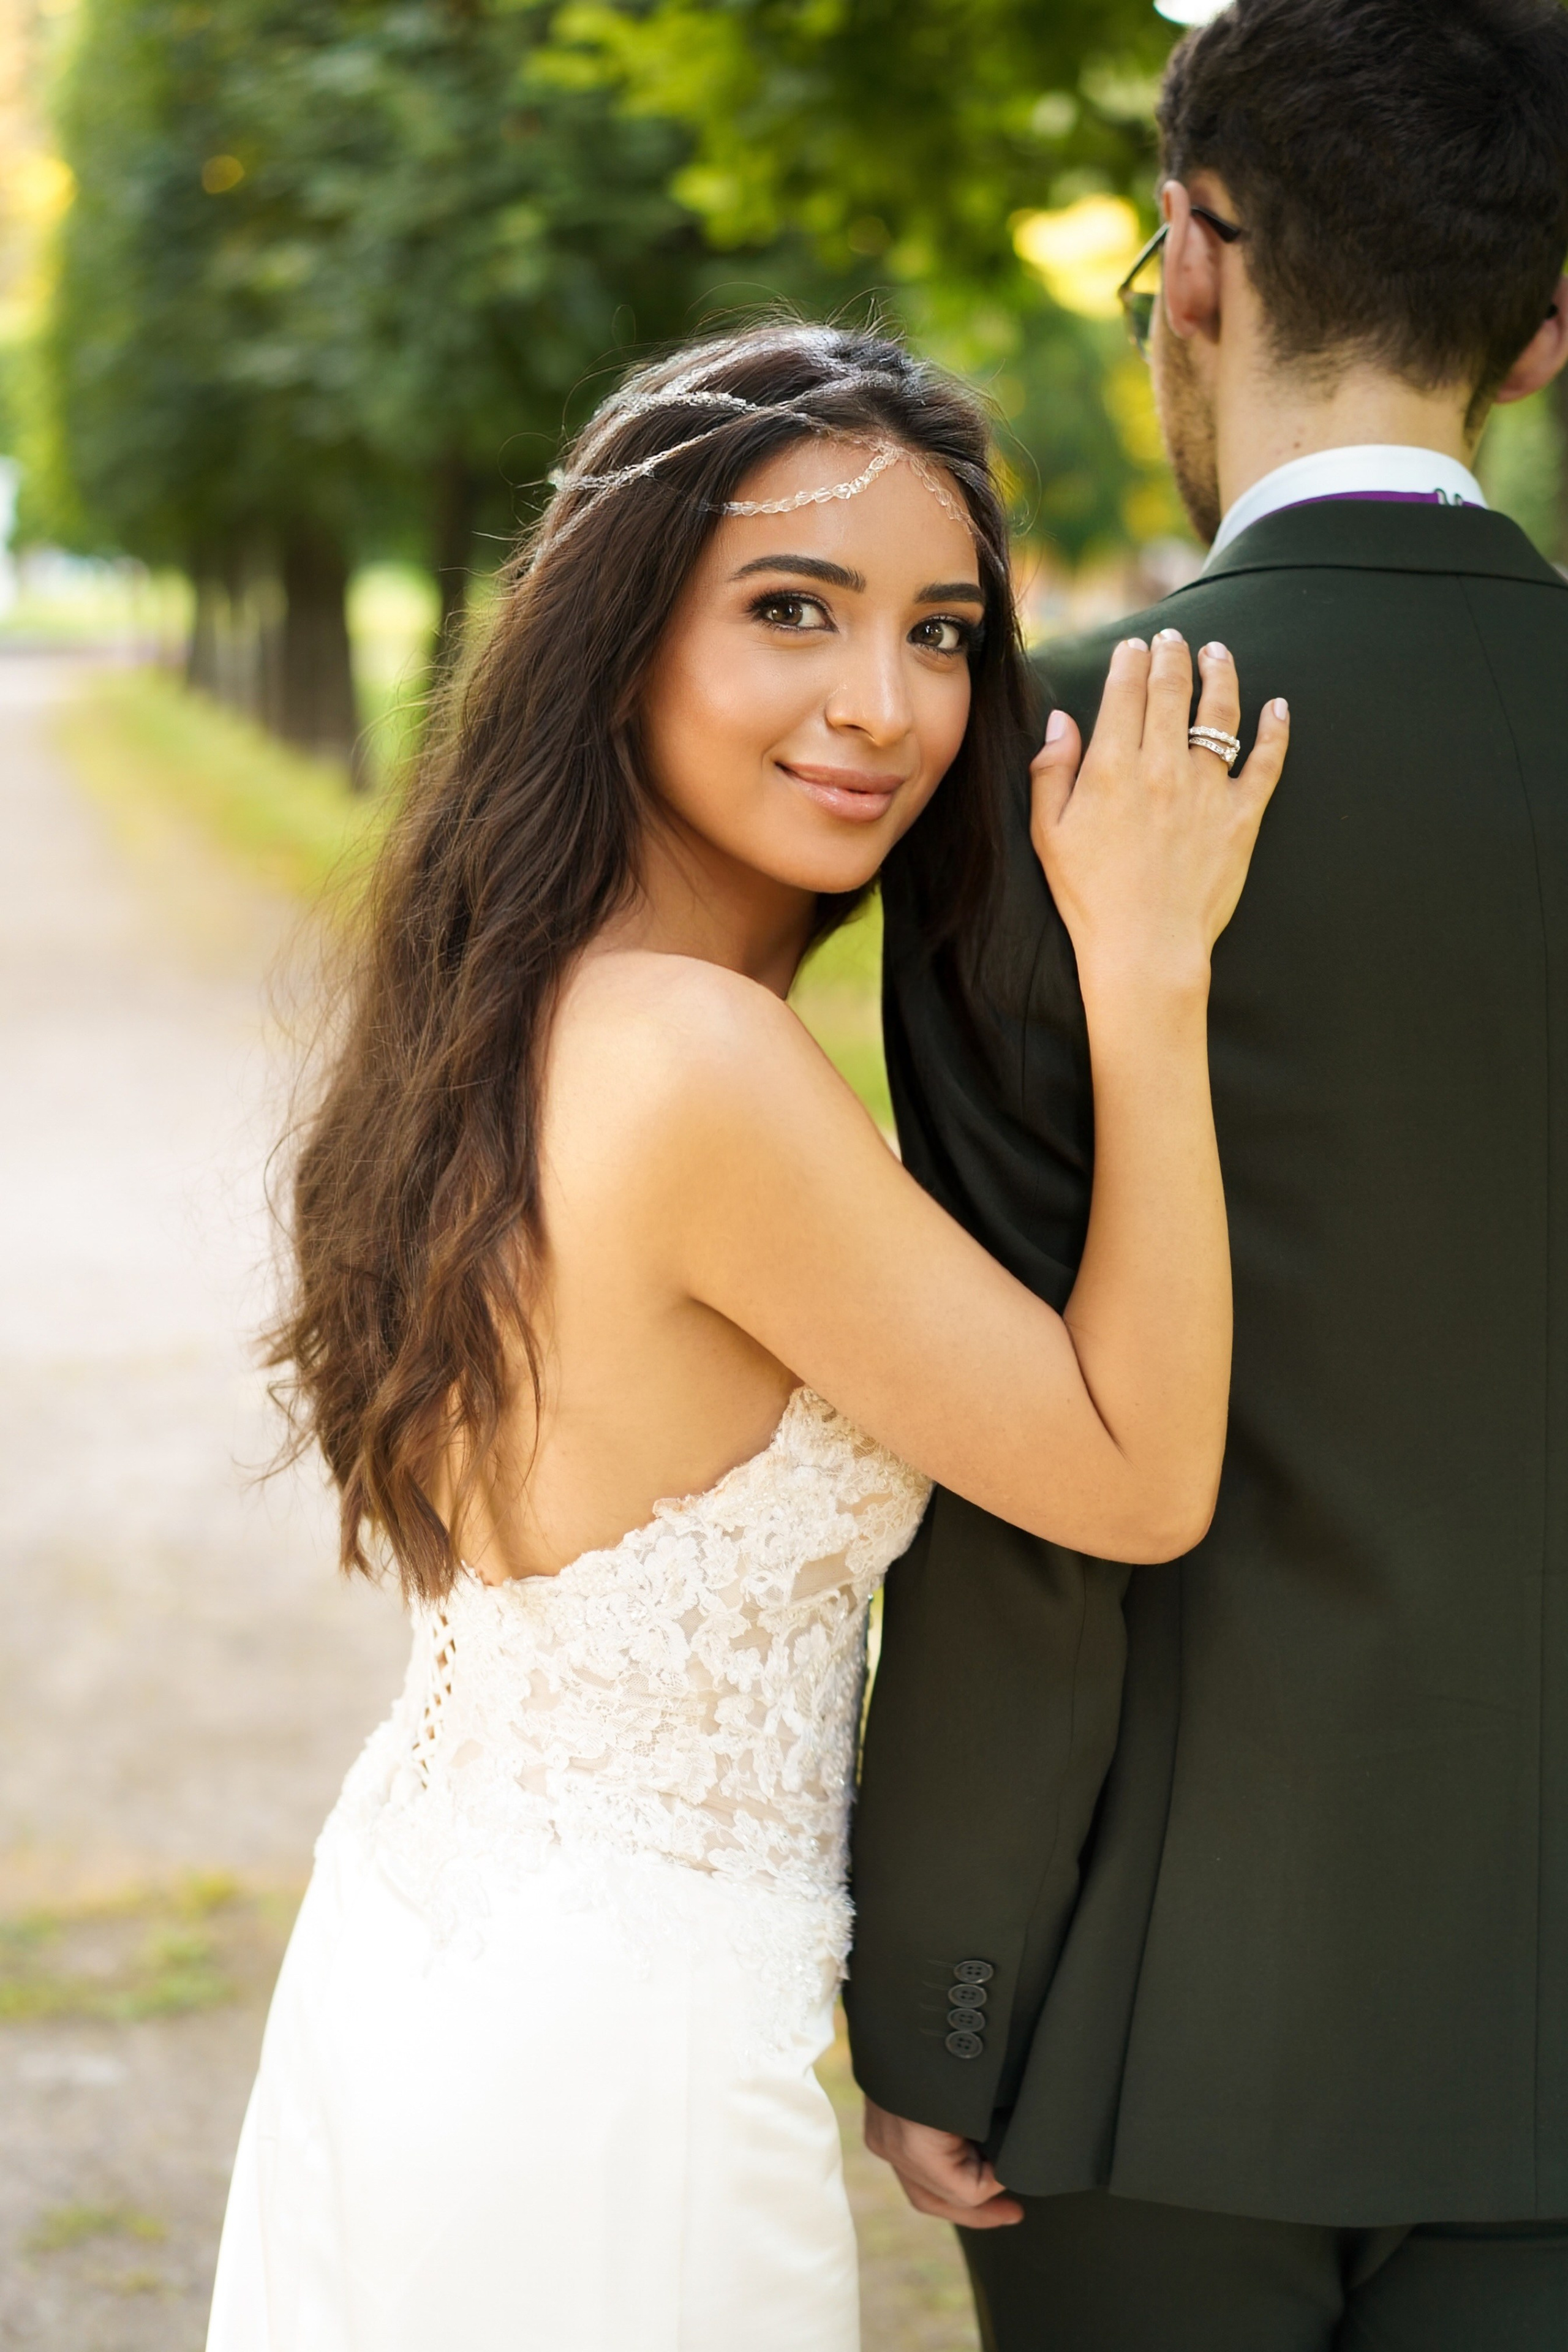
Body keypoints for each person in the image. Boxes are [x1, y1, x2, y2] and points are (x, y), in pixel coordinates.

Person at [202, 320, 1283, 2351]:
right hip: (612, 2071)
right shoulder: (698, 1062)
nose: (885, 705)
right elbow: (1138, 1479)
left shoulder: (519, 1005)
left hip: (436, 1953)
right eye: (795, 611)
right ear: (620, 635)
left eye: (948, 634)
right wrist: (1147, 979)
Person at [846, 1, 1568, 2345]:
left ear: (1195, 260)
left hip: (1160, 2023)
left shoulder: (1040, 760)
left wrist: (950, 1994)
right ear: (1547, 332)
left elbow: (1028, 1477)